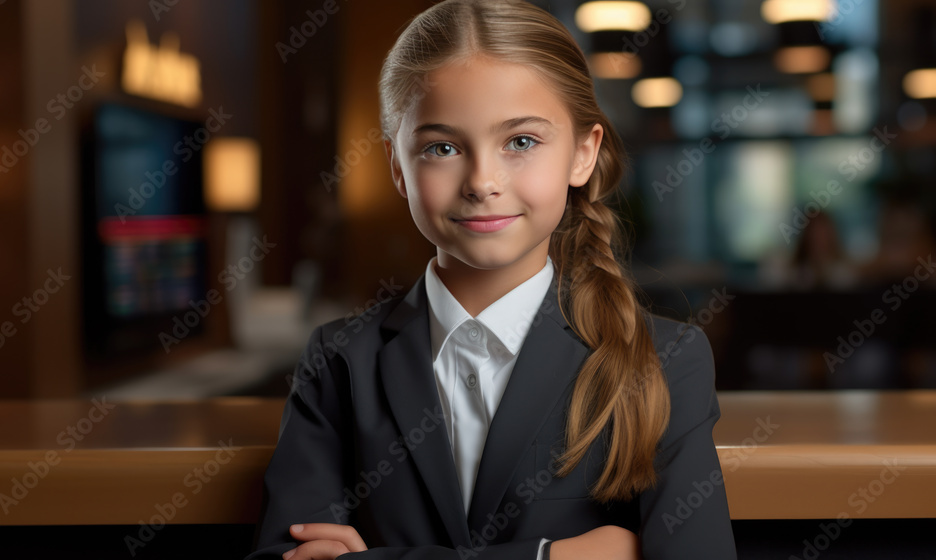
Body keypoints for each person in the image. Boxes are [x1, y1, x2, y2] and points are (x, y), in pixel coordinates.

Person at [246, 1, 736, 558]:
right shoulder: (338, 361)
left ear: (583, 154)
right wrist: (553, 556)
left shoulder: (667, 359)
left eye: (521, 141)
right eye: (442, 148)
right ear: (397, 169)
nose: (482, 181)